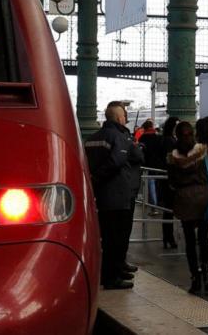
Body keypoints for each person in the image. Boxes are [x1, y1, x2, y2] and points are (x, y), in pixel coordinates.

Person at [85, 101, 144, 290]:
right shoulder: (118, 136)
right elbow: (118, 161)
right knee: (115, 239)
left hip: (102, 195)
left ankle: (109, 272)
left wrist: (93, 179)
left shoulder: (93, 137)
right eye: (124, 116)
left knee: (107, 237)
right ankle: (112, 278)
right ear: (120, 118)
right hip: (117, 194)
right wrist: (98, 177)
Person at [167, 122, 208, 294]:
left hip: (184, 200)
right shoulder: (203, 151)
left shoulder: (172, 156)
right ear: (193, 134)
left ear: (177, 136)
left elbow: (171, 181)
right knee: (203, 238)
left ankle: (195, 278)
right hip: (203, 198)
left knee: (190, 241)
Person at [159, 117, 180, 249]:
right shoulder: (170, 141)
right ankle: (169, 237)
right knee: (169, 209)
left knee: (169, 209)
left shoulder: (166, 140)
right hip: (170, 179)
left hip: (167, 178)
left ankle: (168, 236)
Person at [138, 120, 162, 213]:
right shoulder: (158, 137)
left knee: (151, 185)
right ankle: (158, 204)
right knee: (158, 185)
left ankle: (153, 207)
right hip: (159, 165)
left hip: (147, 165)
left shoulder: (142, 138)